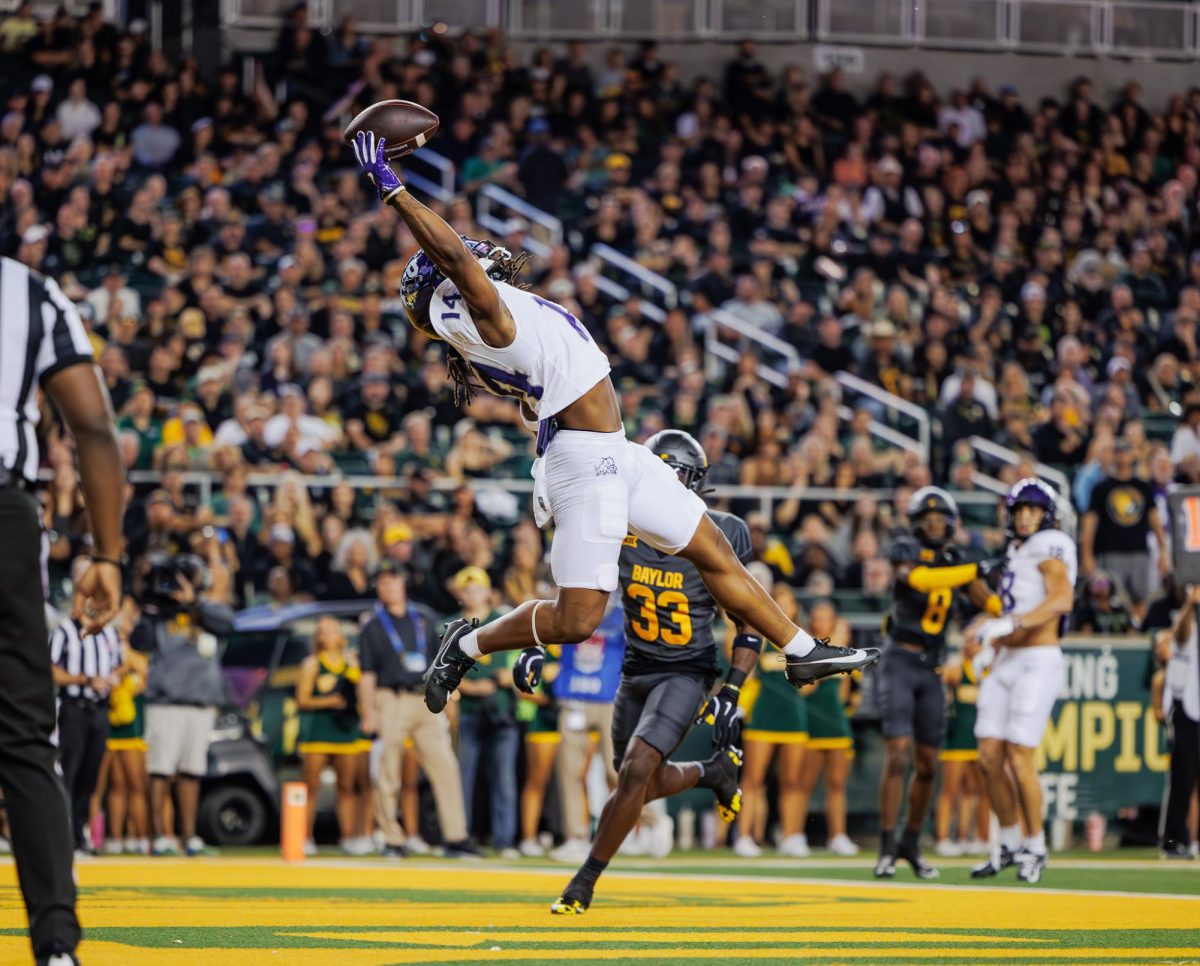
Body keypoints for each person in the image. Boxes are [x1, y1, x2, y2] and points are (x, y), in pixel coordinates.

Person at [348, 132, 879, 718]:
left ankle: (802, 649)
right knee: (577, 620)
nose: (481, 258)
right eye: (465, 262)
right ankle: (466, 643)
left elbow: (459, 266)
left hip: (612, 451)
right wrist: (394, 189)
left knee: (713, 549)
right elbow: (452, 258)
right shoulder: (486, 321)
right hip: (585, 460)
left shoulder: (488, 328)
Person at [523, 430, 763, 915]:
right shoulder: (617, 528)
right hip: (636, 671)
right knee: (634, 784)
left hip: (688, 671)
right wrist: (535, 642)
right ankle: (711, 772)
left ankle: (583, 882)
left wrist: (732, 688)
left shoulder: (720, 533)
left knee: (634, 773)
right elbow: (570, 597)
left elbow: (750, 624)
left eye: (677, 475)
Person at [0, 255, 124, 966]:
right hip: (5, 509)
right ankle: (55, 943)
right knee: (23, 738)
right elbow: (94, 427)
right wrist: (106, 553)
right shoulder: (28, 290)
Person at [875, 487, 994, 880]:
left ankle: (910, 842)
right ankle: (887, 845)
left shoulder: (957, 559)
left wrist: (1013, 603)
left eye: (941, 519)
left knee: (928, 764)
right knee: (897, 754)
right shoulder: (905, 548)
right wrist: (976, 568)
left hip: (933, 668)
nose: (934, 525)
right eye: (928, 519)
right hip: (899, 660)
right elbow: (923, 580)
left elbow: (986, 600)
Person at [966, 478, 1077, 884]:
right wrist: (988, 644)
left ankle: (1036, 846)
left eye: (1033, 510)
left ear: (1047, 515)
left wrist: (1010, 624)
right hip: (1008, 657)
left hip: (1038, 658)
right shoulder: (1015, 550)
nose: (1026, 517)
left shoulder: (1053, 545)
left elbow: (1061, 599)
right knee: (988, 758)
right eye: (1020, 510)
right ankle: (1010, 842)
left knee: (1019, 755)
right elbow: (1010, 606)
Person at [356, 564, 475, 857]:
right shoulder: (373, 626)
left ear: (402, 584)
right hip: (391, 698)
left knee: (445, 764)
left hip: (425, 698)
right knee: (389, 771)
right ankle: (392, 839)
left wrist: (447, 695)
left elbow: (441, 659)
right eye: (383, 583)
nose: (389, 587)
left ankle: (456, 837)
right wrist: (367, 711)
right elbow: (367, 674)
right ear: (379, 589)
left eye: (393, 581)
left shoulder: (423, 617)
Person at [135, 553, 234, 857]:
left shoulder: (209, 609)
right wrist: (150, 604)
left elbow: (229, 625)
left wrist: (194, 603)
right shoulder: (159, 612)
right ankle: (160, 837)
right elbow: (140, 641)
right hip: (166, 700)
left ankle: (189, 837)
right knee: (161, 769)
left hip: (200, 701)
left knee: (192, 771)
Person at [735, 583, 809, 859]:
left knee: (793, 781)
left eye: (787, 602)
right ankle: (743, 836)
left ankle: (792, 835)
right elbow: (748, 671)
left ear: (795, 608)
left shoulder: (803, 639)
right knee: (753, 780)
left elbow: (811, 684)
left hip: (794, 718)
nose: (783, 607)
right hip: (762, 716)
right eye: (777, 602)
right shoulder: (760, 635)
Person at [49, 579, 121, 856]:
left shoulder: (108, 633)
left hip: (100, 710)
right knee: (69, 771)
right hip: (74, 708)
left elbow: (119, 664)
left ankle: (81, 834)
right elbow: (51, 670)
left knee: (90, 777)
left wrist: (115, 677)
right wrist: (86, 679)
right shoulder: (65, 632)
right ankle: (64, 836)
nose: (93, 604)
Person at [547, 602, 624, 863]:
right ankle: (575, 837)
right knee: (569, 772)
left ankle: (649, 820)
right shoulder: (570, 604)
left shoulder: (623, 612)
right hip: (574, 697)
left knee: (618, 771)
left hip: (610, 698)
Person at [453, 566, 521, 857]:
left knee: (504, 778)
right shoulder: (451, 627)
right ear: (460, 594)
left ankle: (505, 840)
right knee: (462, 777)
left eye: (477, 588)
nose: (473, 594)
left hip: (502, 709)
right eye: (467, 589)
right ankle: (461, 836)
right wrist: (469, 687)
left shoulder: (505, 620)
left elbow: (525, 655)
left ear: (488, 592)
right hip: (467, 709)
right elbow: (440, 670)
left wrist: (513, 675)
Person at [295, 614, 372, 856]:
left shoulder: (352, 663)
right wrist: (330, 701)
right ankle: (305, 837)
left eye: (331, 630)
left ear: (341, 636)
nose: (326, 635)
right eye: (321, 631)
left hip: (345, 733)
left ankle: (348, 837)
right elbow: (302, 699)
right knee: (311, 787)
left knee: (347, 787)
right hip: (317, 734)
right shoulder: (311, 664)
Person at [1079, 440, 1169, 624]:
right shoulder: (1101, 488)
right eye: (1118, 452)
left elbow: (1155, 522)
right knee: (1111, 599)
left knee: (1140, 600)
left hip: (1139, 553)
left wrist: (1163, 552)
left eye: (1126, 451)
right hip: (1111, 552)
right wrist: (1086, 555)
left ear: (1133, 455)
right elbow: (1089, 524)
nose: (1122, 456)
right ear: (1113, 455)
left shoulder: (1143, 487)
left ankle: (1134, 633)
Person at [796, 601, 859, 857]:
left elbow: (847, 693)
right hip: (811, 725)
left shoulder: (843, 652)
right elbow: (805, 689)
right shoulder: (805, 651)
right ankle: (795, 835)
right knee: (803, 785)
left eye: (826, 618)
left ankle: (838, 836)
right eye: (817, 617)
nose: (821, 622)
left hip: (837, 725)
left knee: (836, 786)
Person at [933, 640, 990, 857]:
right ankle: (943, 838)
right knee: (949, 789)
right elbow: (938, 677)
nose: (973, 646)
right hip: (957, 739)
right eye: (970, 642)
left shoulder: (988, 671)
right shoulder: (957, 670)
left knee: (980, 791)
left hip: (981, 740)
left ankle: (980, 838)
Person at [103, 606, 151, 856]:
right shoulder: (103, 651)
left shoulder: (134, 656)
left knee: (135, 785)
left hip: (131, 729)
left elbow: (144, 676)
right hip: (109, 725)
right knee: (114, 785)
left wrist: (122, 668)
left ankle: (141, 837)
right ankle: (113, 837)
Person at [1160, 585, 1200, 858]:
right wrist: (1191, 603)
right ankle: (1174, 841)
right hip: (1186, 710)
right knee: (1182, 779)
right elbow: (1176, 634)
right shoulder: (1185, 629)